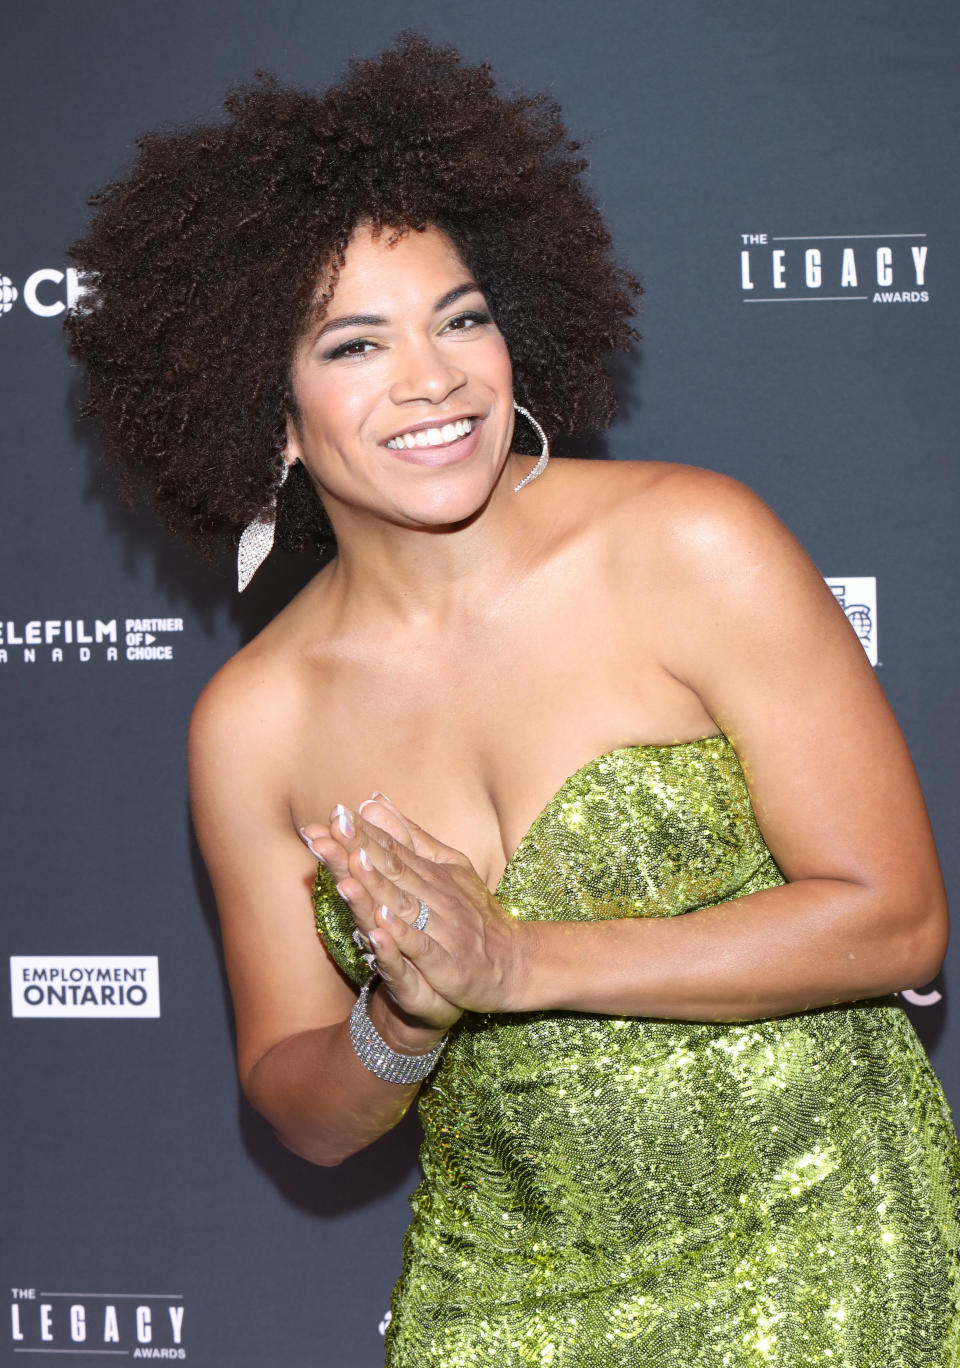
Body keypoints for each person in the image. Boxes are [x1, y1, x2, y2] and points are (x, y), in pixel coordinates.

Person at [66, 32, 960, 1367]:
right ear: (271, 411)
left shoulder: (688, 544)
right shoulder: (253, 723)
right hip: (505, 1295)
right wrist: (407, 1016)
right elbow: (302, 1110)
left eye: (463, 316)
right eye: (355, 344)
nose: (433, 379)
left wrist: (516, 962)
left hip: (822, 1244)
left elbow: (896, 923)